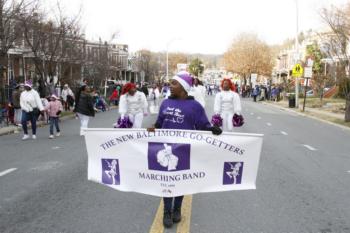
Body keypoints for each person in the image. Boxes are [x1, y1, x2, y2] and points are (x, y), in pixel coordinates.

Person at [150, 71, 222, 228]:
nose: (170, 85)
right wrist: (149, 130)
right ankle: (167, 212)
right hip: (165, 148)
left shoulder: (195, 106)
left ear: (183, 88)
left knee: (180, 181)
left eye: (174, 83)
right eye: (170, 83)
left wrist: (212, 129)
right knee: (167, 182)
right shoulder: (166, 103)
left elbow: (204, 125)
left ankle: (177, 209)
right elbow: (159, 123)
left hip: (184, 150)